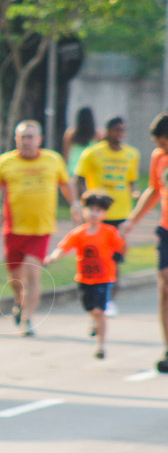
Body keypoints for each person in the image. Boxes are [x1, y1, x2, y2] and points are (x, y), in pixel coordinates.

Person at [0, 120, 81, 337]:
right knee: (15, 279)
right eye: (22, 137)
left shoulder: (52, 159)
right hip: (14, 229)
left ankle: (27, 319)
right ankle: (19, 302)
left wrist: (74, 204)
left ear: (39, 140)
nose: (27, 141)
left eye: (31, 137)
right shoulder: (6, 161)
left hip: (40, 229)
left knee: (32, 274)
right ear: (16, 140)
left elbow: (66, 183)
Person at [44, 191, 127, 359]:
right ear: (84, 211)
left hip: (103, 279)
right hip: (84, 278)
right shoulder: (79, 233)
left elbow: (121, 247)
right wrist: (52, 258)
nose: (94, 213)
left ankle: (101, 345)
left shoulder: (109, 232)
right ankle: (94, 321)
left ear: (104, 214)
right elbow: (64, 248)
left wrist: (120, 254)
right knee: (90, 309)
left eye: (98, 210)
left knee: (99, 311)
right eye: (91, 209)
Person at [73, 116, 140, 317]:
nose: (119, 134)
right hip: (99, 215)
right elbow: (79, 179)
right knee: (95, 256)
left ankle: (109, 300)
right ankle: (93, 296)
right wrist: (84, 202)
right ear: (108, 131)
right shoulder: (93, 153)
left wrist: (135, 192)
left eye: (122, 130)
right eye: (116, 130)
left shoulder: (132, 154)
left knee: (114, 260)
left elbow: (132, 181)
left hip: (121, 214)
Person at [121, 112, 168, 373]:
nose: (161, 148)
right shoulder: (158, 158)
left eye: (164, 143)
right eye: (159, 144)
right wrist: (131, 220)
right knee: (165, 284)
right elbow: (153, 190)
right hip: (166, 229)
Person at [61, 107, 101, 176]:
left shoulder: (71, 134)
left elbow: (66, 154)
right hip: (90, 170)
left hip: (73, 169)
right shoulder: (97, 135)